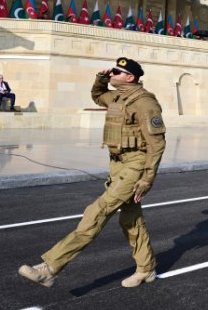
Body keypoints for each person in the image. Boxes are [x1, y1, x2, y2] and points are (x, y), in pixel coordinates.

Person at [18, 57, 166, 288]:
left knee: (97, 211)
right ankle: (146, 268)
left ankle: (51, 267)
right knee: (130, 219)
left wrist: (147, 178)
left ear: (130, 77)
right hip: (117, 164)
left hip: (135, 165)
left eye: (117, 72)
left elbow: (157, 144)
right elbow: (97, 95)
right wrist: (101, 78)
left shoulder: (145, 103)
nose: (112, 74)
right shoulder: (116, 96)